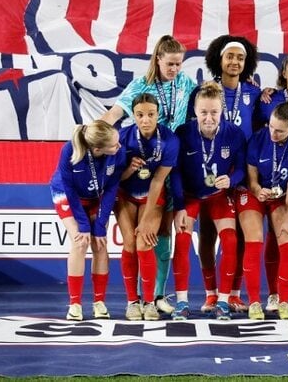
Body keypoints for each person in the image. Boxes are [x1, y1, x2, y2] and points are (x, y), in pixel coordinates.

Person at [101, 35, 195, 315]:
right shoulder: (140, 86)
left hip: (171, 162)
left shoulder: (185, 82)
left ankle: (157, 297)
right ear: (158, 59)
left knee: (163, 234)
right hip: (142, 167)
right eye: (170, 64)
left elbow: (208, 94)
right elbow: (114, 114)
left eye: (179, 64)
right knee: (137, 240)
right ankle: (135, 300)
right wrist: (91, 136)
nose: (175, 69)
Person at [171, 82, 246, 320]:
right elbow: (175, 172)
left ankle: (223, 300)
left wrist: (231, 180)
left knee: (231, 240)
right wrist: (180, 206)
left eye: (214, 112)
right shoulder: (183, 133)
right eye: (203, 112)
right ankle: (182, 302)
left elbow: (243, 168)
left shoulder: (234, 133)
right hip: (190, 196)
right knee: (182, 241)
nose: (209, 117)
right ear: (195, 111)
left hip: (217, 196)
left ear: (221, 111)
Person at [238, 98, 288, 321]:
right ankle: (253, 302)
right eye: (271, 126)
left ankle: (285, 302)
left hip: (282, 196)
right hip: (253, 193)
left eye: (279, 131)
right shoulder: (259, 138)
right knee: (254, 241)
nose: (273, 133)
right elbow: (250, 178)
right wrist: (258, 189)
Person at [49, 120, 127, 321]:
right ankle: (75, 304)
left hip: (97, 197)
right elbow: (69, 188)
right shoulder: (70, 150)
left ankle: (99, 302)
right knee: (79, 241)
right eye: (114, 145)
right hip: (67, 194)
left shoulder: (119, 153)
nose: (119, 147)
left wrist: (100, 225)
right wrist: (83, 225)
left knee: (100, 244)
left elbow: (111, 189)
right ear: (97, 148)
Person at [115, 94, 178, 321]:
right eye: (140, 115)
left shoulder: (170, 140)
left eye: (151, 114)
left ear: (158, 115)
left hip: (154, 195)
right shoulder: (122, 138)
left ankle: (149, 302)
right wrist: (130, 170)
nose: (145, 120)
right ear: (133, 115)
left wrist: (145, 219)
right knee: (130, 244)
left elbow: (158, 180)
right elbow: (115, 179)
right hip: (126, 195)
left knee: (144, 242)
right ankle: (133, 302)